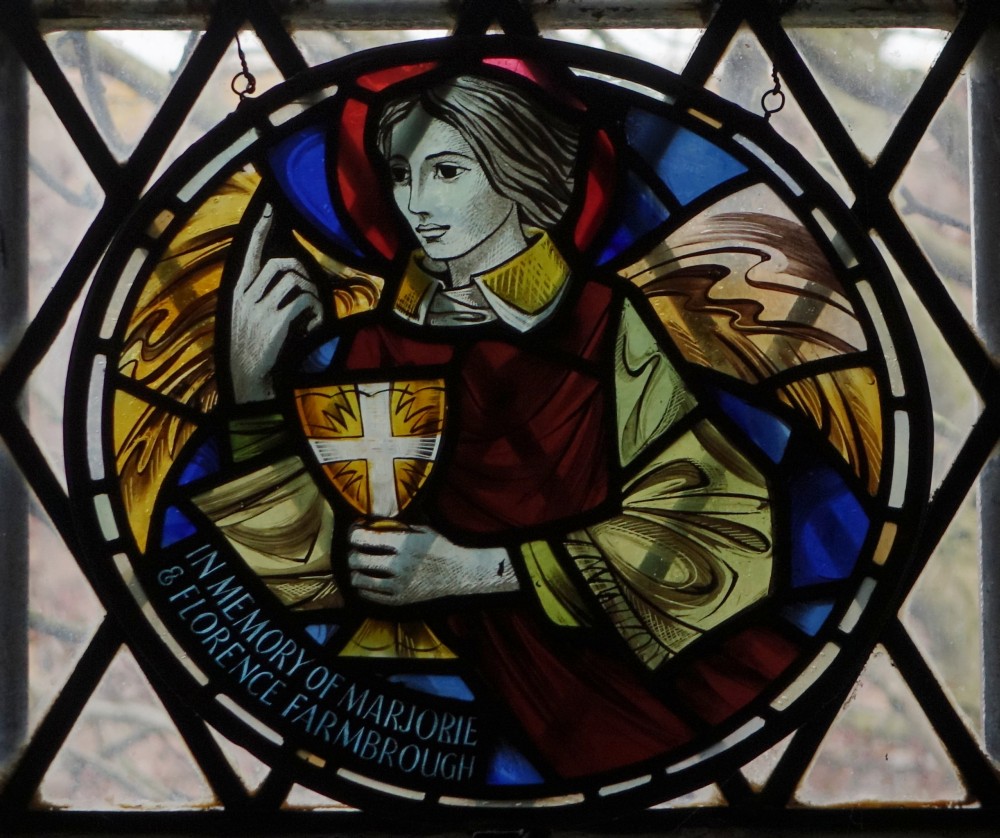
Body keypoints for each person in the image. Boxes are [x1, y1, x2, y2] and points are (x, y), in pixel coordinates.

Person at [212, 70, 774, 778]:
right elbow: (315, 574)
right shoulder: (374, 346)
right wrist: (253, 392)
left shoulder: (601, 324)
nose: (416, 203)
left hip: (650, 686)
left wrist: (481, 571)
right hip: (461, 693)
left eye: (447, 171)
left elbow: (726, 532)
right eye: (400, 174)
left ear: (521, 173)